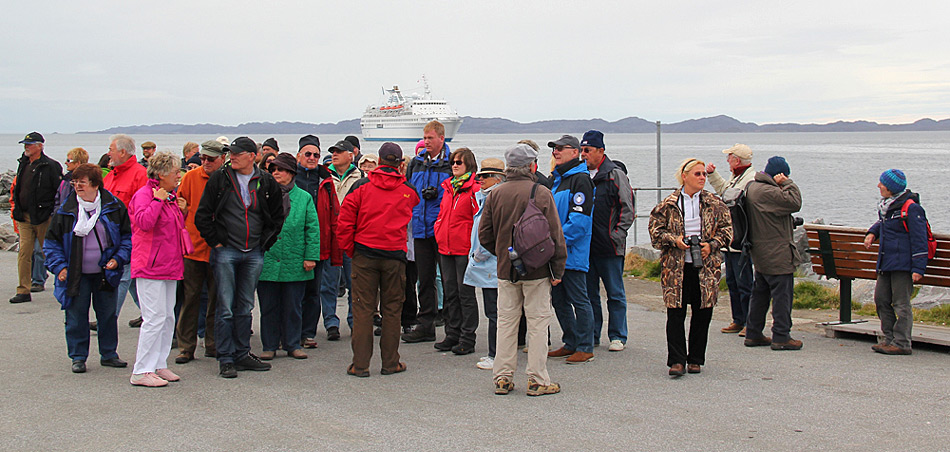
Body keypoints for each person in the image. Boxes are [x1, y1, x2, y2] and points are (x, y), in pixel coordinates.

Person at [479, 143, 566, 396]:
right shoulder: (541, 192)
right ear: (531, 166)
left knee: (506, 321)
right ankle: (537, 379)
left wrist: (504, 255)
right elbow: (555, 236)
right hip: (537, 270)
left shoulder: (495, 193)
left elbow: (485, 235)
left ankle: (502, 377)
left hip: (507, 269)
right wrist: (557, 270)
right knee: (538, 323)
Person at [195, 137, 285, 378]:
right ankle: (226, 357)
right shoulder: (220, 179)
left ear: (251, 156)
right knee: (225, 306)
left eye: (236, 153)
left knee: (245, 306)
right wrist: (216, 242)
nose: (231, 156)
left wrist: (265, 243)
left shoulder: (265, 181)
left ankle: (242, 353)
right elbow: (202, 215)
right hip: (226, 251)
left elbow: (277, 216)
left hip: (254, 251)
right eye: (230, 153)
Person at [337, 142, 419, 377]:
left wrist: (351, 250)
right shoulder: (407, 190)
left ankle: (361, 365)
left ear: (380, 161)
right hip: (394, 255)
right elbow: (414, 202)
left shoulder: (361, 186)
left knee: (363, 309)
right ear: (400, 164)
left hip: (365, 254)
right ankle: (390, 362)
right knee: (393, 310)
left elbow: (344, 222)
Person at [44, 163, 132, 374]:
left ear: (95, 184)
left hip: (105, 272)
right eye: (75, 182)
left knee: (108, 315)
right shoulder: (66, 211)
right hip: (75, 273)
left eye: (82, 183)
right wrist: (60, 268)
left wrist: (118, 259)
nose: (77, 186)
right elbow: (51, 243)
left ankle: (109, 354)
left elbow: (127, 238)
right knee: (76, 315)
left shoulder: (114, 207)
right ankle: (78, 356)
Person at [649, 158, 732, 376]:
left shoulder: (715, 203)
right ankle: (676, 360)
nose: (702, 178)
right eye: (697, 174)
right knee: (675, 313)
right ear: (684, 176)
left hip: (706, 268)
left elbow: (727, 231)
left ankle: (695, 358)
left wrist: (710, 245)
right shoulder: (669, 204)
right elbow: (655, 233)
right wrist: (675, 240)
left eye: (704, 174)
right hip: (676, 267)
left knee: (703, 312)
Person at [129, 151, 188, 387]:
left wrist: (180, 209)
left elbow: (174, 229)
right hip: (150, 266)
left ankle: (159, 363)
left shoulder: (170, 197)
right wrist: (157, 201)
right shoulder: (145, 195)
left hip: (169, 264)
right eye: (175, 172)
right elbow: (143, 222)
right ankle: (141, 369)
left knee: (167, 316)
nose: (178, 176)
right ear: (162, 173)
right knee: (153, 318)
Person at [257, 153, 320, 360]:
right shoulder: (261, 194)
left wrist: (311, 256)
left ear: (291, 173)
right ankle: (269, 344)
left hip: (295, 258)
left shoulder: (304, 198)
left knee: (293, 306)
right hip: (268, 257)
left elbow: (312, 228)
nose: (276, 173)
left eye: (280, 170)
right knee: (268, 307)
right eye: (273, 169)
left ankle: (293, 343)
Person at [580, 130, 633, 352]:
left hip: (610, 247)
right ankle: (593, 334)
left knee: (615, 293)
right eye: (582, 150)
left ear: (601, 151)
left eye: (588, 150)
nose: (584, 155)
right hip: (587, 247)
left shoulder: (614, 174)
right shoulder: (581, 176)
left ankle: (618, 335)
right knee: (589, 294)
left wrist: (616, 235)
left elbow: (627, 209)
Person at [864, 169, 927, 355]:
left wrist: (918, 268)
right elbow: (883, 223)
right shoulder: (887, 207)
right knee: (881, 300)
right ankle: (889, 338)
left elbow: (919, 239)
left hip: (902, 264)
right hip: (886, 261)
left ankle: (902, 342)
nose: (878, 186)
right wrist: (872, 232)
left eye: (881, 183)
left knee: (901, 304)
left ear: (891, 188)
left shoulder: (911, 208)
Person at [744, 156, 804, 351]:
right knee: (782, 295)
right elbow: (795, 202)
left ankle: (753, 332)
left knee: (760, 293)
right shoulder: (768, 191)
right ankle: (781, 335)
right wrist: (787, 183)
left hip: (760, 251)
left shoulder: (752, 188)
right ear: (779, 174)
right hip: (776, 252)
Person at [174, 140, 226, 364]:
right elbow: (179, 207)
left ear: (222, 159)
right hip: (192, 249)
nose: (205, 162)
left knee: (217, 299)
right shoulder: (189, 177)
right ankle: (186, 346)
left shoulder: (228, 179)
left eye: (210, 159)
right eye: (203, 158)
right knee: (190, 298)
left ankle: (213, 343)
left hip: (220, 248)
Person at [402, 120, 454, 343]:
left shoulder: (451, 163)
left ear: (441, 138)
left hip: (441, 229)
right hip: (420, 228)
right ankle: (425, 324)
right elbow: (407, 192)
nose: (426, 142)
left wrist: (437, 196)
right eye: (424, 138)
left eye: (430, 138)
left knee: (449, 280)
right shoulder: (416, 163)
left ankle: (453, 327)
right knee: (424, 279)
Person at [546, 135, 596, 364]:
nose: (555, 152)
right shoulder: (557, 180)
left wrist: (556, 244)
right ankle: (571, 341)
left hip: (571, 253)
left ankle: (585, 345)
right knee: (559, 299)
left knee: (579, 298)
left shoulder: (581, 180)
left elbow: (579, 222)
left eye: (560, 148)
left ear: (574, 152)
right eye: (554, 149)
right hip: (556, 252)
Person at [294, 135, 343, 348]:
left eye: (316, 154)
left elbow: (335, 215)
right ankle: (289, 332)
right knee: (292, 292)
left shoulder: (325, 180)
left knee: (314, 292)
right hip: (293, 243)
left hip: (319, 242)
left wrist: (335, 248)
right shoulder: (289, 177)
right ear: (298, 156)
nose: (312, 158)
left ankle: (307, 332)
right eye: (308, 154)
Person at [432, 147, 481, 355]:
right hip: (445, 247)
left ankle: (467, 337)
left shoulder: (474, 189)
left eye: (458, 162)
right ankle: (451, 333)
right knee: (450, 292)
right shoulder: (449, 187)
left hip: (463, 248)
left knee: (465, 294)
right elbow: (443, 214)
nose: (454, 165)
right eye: (453, 162)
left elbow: (478, 219)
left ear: (468, 164)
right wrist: (438, 230)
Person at [706, 143, 756, 336]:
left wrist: (713, 176)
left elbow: (730, 196)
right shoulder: (737, 178)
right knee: (733, 282)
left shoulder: (749, 180)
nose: (727, 160)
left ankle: (749, 322)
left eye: (730, 157)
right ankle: (738, 319)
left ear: (737, 160)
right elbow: (726, 192)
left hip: (742, 239)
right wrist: (713, 176)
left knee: (745, 283)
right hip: (731, 239)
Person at [11, 132, 63, 304]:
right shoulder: (23, 163)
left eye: (30, 144)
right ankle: (23, 290)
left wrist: (52, 213)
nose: (26, 147)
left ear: (40, 146)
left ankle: (64, 283)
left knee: (48, 251)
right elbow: (19, 188)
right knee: (24, 252)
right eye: (25, 144)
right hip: (24, 215)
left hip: (42, 216)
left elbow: (59, 192)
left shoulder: (50, 166)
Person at [464, 158, 505, 370]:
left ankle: (496, 354)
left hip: (492, 265)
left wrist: (480, 253)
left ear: (498, 179)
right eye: (480, 175)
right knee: (494, 311)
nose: (480, 179)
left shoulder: (495, 200)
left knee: (495, 311)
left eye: (486, 176)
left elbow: (495, 232)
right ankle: (496, 352)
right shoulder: (484, 198)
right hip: (488, 263)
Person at [103, 133, 148, 322]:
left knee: (123, 277)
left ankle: (108, 318)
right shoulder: (111, 175)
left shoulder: (139, 174)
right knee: (132, 282)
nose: (108, 154)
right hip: (109, 236)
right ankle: (150, 315)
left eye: (111, 150)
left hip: (129, 237)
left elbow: (144, 208)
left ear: (122, 152)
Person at [329, 140, 363, 339]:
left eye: (340, 152)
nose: (335, 154)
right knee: (329, 283)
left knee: (354, 282)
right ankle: (330, 322)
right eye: (333, 151)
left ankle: (353, 321)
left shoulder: (361, 177)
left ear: (351, 155)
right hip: (330, 235)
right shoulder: (324, 176)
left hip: (352, 236)